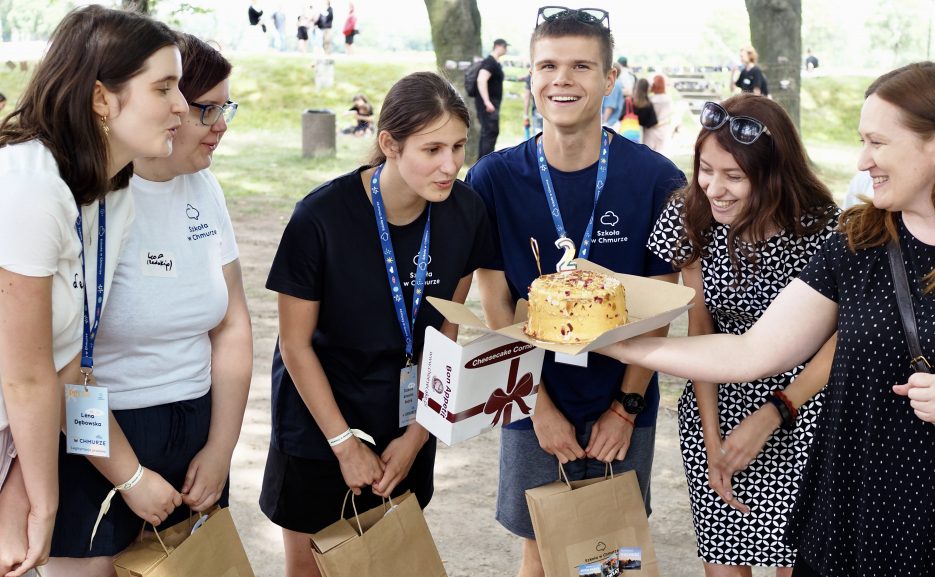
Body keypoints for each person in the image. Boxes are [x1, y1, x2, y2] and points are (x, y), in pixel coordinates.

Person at [602, 62, 935, 577]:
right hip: (851, 518)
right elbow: (750, 351)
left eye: (877, 142)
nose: (863, 160)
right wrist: (617, 344)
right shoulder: (858, 241)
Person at [466, 8, 687, 577]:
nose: (562, 79)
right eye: (548, 65)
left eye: (581, 66)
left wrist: (626, 407)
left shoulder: (656, 179)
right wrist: (537, 407)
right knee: (540, 547)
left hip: (621, 401)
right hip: (531, 398)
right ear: (531, 77)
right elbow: (495, 303)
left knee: (611, 555)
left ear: (610, 79)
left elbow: (661, 306)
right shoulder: (492, 178)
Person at [259, 71, 494, 577]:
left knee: (387, 562)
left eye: (458, 146)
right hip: (320, 424)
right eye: (432, 149)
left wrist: (417, 436)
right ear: (389, 144)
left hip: (405, 420)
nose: (450, 165)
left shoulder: (467, 212)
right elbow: (295, 345)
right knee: (312, 569)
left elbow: (446, 336)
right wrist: (343, 444)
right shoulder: (320, 217)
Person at [44, 34, 250, 576]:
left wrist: (221, 447)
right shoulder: (83, 201)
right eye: (206, 108)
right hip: (97, 443)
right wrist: (128, 475)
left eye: (224, 107)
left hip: (196, 434)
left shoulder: (205, 188)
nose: (219, 123)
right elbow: (60, 364)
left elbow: (232, 326)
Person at [0, 6, 184, 576]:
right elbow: (25, 374)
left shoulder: (113, 195)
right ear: (102, 99)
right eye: (164, 88)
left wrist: (17, 489)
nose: (181, 106)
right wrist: (41, 504)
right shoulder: (27, 182)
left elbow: (66, 364)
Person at [646, 94, 840, 576]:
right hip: (716, 402)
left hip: (805, 409)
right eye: (706, 170)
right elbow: (699, 328)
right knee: (724, 558)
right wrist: (712, 439)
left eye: (734, 177)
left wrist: (776, 412)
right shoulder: (689, 215)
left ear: (775, 174)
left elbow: (839, 342)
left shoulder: (822, 229)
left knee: (797, 560)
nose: (715, 189)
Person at [474, 38, 508, 157]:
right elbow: (481, 80)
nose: (506, 50)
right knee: (490, 133)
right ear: (498, 46)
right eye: (505, 47)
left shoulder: (494, 62)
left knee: (490, 133)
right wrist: (487, 102)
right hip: (488, 105)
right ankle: (484, 163)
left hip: (491, 104)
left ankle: (484, 162)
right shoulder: (490, 62)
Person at [644, 74, 673, 154]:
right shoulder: (668, 99)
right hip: (663, 129)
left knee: (648, 154)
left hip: (650, 130)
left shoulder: (650, 100)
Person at [601, 61, 624, 130]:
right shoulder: (618, 83)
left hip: (609, 123)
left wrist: (603, 123)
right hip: (611, 122)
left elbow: (610, 106)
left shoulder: (614, 85)